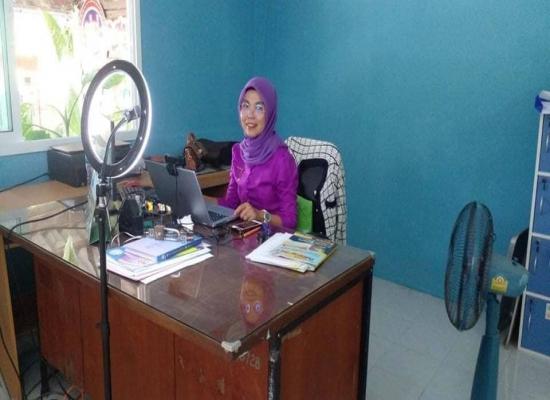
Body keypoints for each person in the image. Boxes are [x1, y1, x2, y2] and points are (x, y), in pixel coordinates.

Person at [218, 77, 298, 229]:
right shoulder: (238, 152)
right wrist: (199, 199)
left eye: (259, 108)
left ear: (270, 114)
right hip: (246, 234)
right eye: (245, 106)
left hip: (273, 238)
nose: (250, 115)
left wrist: (260, 215)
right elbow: (231, 204)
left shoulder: (282, 159)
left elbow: (290, 221)